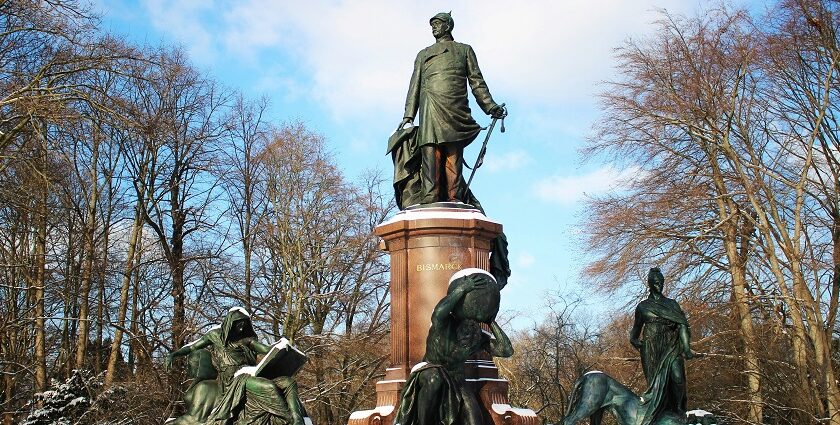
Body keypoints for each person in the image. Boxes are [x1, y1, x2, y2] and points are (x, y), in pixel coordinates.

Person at [397, 12, 506, 204]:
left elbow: (477, 82)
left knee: (453, 155)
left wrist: (490, 107)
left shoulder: (464, 50)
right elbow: (414, 86)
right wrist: (408, 116)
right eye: (432, 25)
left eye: (438, 24)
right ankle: (429, 197)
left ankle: (454, 197)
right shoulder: (423, 54)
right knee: (430, 152)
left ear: (448, 26)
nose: (434, 28)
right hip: (430, 107)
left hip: (455, 108)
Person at [395, 269, 513, 425]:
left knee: (474, 419)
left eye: (472, 328)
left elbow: (505, 350)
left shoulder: (476, 336)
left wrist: (491, 322)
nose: (469, 332)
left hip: (457, 379)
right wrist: (462, 289)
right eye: (466, 329)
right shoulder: (444, 324)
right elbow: (438, 312)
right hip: (430, 369)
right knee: (434, 379)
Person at [165, 307, 305, 425]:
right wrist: (174, 354)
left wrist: (281, 347)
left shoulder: (246, 339)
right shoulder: (214, 335)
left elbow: (266, 349)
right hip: (233, 379)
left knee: (289, 382)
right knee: (267, 387)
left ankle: (298, 419)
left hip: (248, 372)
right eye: (238, 324)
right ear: (230, 323)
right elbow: (193, 346)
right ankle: (288, 419)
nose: (241, 327)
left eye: (244, 324)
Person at [629, 268, 695, 424]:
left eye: (662, 282)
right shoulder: (643, 306)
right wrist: (633, 339)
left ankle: (679, 410)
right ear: (650, 284)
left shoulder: (672, 304)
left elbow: (682, 325)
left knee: (678, 377)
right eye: (656, 283)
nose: (660, 285)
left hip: (671, 345)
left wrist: (686, 347)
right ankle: (660, 414)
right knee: (656, 385)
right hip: (651, 348)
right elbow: (636, 329)